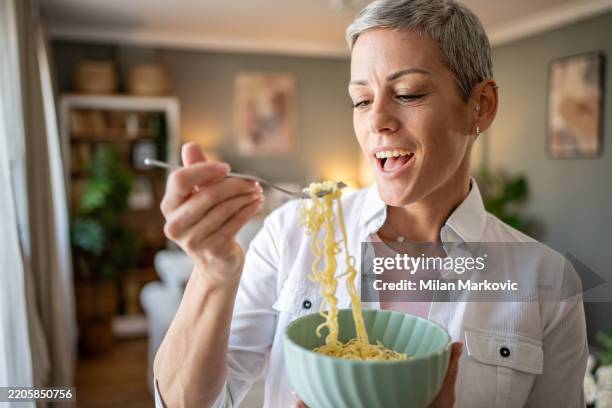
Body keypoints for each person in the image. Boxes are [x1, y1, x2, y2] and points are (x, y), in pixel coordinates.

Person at [153, 0, 588, 407]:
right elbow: (186, 401)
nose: (377, 121)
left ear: (482, 105)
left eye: (409, 93)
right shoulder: (292, 232)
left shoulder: (547, 282)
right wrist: (212, 273)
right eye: (361, 100)